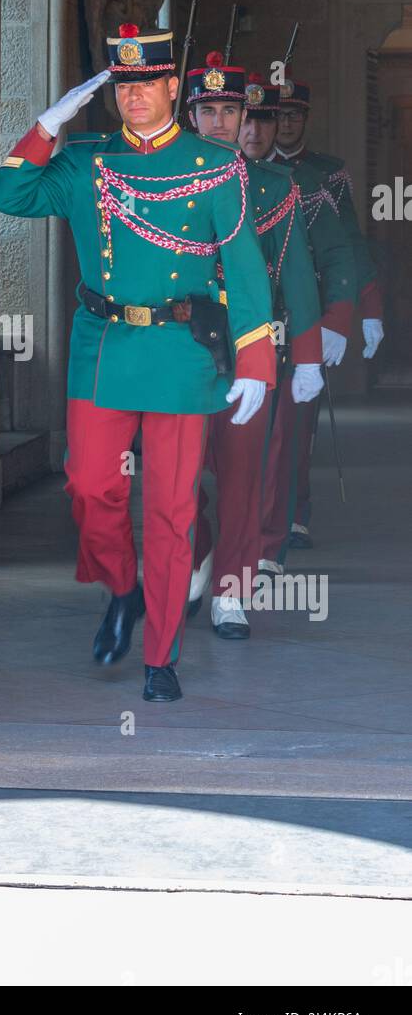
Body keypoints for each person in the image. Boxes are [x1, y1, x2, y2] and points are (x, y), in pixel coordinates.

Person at [0, 25, 275, 703]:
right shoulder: (86, 162)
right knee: (91, 487)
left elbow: (240, 265)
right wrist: (44, 127)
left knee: (173, 510)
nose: (135, 98)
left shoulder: (215, 166)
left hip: (181, 354)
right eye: (122, 87)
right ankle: (123, 589)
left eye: (147, 84)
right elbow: (10, 196)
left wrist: (254, 360)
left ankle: (161, 656)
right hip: (104, 346)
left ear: (172, 87)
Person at [186, 59, 323, 638]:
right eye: (208, 111)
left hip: (249, 347)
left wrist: (310, 354)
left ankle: (231, 591)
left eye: (230, 111)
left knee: (243, 477)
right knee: (180, 474)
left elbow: (295, 274)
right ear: (190, 115)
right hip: (182, 348)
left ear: (244, 116)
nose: (220, 123)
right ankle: (198, 553)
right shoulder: (163, 178)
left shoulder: (273, 187)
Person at [273, 72, 384, 548]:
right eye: (279, 115)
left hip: (308, 307)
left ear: (306, 120)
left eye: (295, 115)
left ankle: (295, 510)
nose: (286, 124)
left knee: (299, 420)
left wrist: (366, 306)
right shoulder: (235, 166)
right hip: (253, 310)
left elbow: (348, 243)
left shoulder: (327, 172)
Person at [255, 77, 357, 573]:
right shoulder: (200, 174)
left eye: (264, 119)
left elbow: (340, 250)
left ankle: (271, 539)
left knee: (282, 441)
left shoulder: (304, 184)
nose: (253, 130)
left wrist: (336, 319)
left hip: (284, 327)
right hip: (211, 332)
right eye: (243, 117)